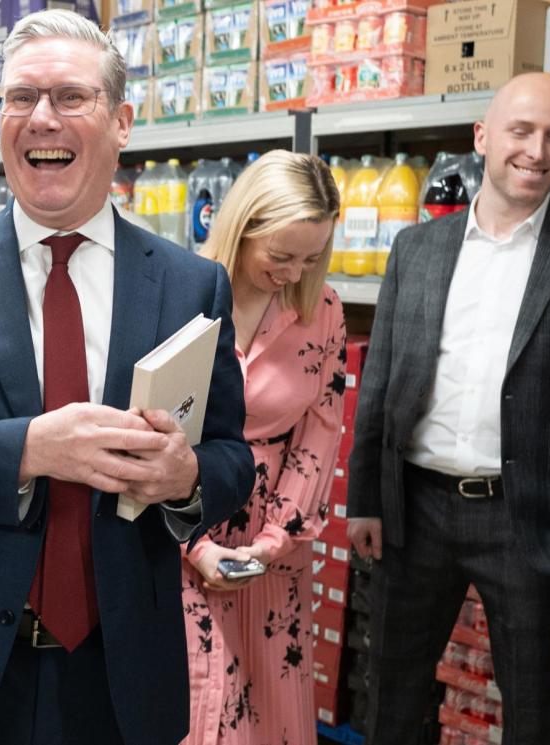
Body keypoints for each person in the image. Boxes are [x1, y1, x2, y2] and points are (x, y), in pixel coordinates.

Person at [0, 10, 253, 745]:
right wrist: (28, 448)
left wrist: (187, 477)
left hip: (117, 670)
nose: (41, 118)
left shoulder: (192, 285)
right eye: (20, 98)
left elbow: (230, 456)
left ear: (122, 121)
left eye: (69, 96)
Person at [347, 72, 550, 744]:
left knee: (533, 708)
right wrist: (365, 498)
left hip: (532, 519)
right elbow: (379, 383)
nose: (537, 150)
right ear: (483, 138)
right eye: (521, 131)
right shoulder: (418, 248)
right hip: (416, 510)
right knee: (393, 697)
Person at [180, 150, 345, 744]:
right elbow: (149, 432)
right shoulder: (180, 295)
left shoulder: (321, 309)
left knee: (271, 709)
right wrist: (195, 545)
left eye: (311, 257)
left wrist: (272, 543)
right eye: (280, 255)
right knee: (197, 707)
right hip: (182, 527)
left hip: (278, 539)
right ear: (241, 226)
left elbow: (322, 430)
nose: (295, 273)